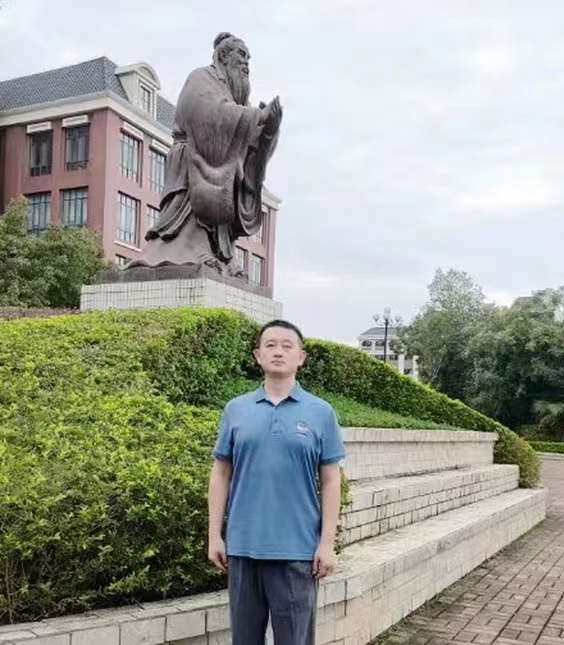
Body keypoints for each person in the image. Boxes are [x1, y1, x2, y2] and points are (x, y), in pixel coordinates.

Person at [208, 319, 345, 645]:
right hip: (243, 549)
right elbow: (220, 472)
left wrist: (327, 543)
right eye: (270, 345)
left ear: (301, 357)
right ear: (258, 356)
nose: (278, 352)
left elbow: (330, 480)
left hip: (297, 552)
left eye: (287, 345)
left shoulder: (321, 412)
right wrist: (215, 535)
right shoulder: (236, 410)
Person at [127, 32, 282, 276]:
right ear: (223, 55)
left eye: (248, 58)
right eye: (241, 54)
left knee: (229, 181)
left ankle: (221, 254)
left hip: (220, 167)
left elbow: (249, 136)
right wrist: (257, 117)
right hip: (192, 158)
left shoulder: (235, 98)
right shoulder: (201, 78)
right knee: (198, 205)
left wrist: (268, 129)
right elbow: (207, 112)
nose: (246, 61)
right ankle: (191, 249)